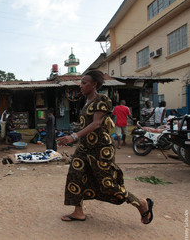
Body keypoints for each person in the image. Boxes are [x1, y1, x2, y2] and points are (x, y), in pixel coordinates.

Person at [56, 70, 153, 224]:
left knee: (107, 184)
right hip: (84, 147)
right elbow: (87, 125)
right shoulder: (86, 102)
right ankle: (78, 212)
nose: (80, 86)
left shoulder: (103, 100)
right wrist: (75, 138)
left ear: (94, 84)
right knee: (75, 175)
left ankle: (140, 203)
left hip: (101, 148)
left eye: (84, 83)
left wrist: (73, 137)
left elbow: (96, 123)